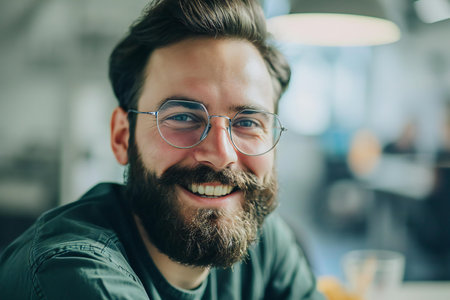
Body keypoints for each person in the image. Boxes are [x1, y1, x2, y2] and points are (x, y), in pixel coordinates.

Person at [0, 0, 325, 299]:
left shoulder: (262, 242)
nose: (221, 153)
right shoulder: (72, 271)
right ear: (121, 138)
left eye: (248, 122)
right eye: (183, 117)